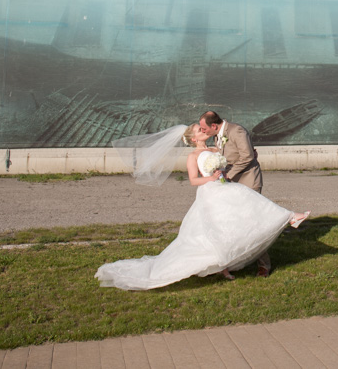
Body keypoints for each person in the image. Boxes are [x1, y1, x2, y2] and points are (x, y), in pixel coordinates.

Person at [96, 123, 309, 290]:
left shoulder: (216, 147)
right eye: (200, 130)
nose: (203, 130)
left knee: (244, 209)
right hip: (211, 192)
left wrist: (225, 172)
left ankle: (289, 217)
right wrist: (212, 177)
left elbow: (228, 163)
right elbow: (193, 180)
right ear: (193, 138)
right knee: (220, 226)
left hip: (223, 187)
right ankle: (286, 220)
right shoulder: (193, 156)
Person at [198, 110, 272, 276]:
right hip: (231, 184)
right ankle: (238, 259)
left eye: (204, 129)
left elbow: (247, 157)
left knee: (253, 224)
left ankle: (264, 265)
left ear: (214, 125)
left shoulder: (237, 131)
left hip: (248, 181)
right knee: (235, 223)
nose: (204, 132)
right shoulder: (217, 135)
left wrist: (228, 174)